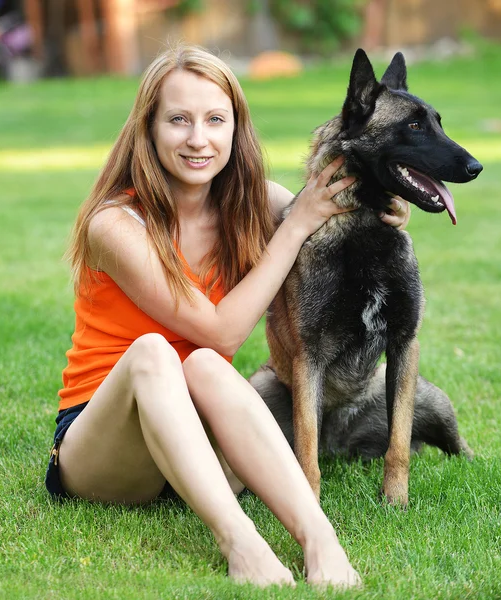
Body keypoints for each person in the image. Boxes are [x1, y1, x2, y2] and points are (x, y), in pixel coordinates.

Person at [45, 43, 410, 588]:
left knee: (207, 370)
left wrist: (385, 203)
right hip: (105, 447)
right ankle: (240, 541)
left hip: (201, 438)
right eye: (178, 120)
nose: (199, 139)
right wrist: (292, 228)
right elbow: (220, 330)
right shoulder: (115, 225)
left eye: (216, 119)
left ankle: (319, 539)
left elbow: (337, 198)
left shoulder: (256, 204)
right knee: (158, 354)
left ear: (237, 129)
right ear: (147, 129)